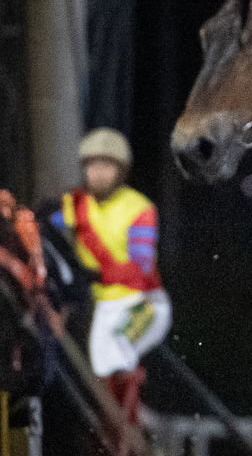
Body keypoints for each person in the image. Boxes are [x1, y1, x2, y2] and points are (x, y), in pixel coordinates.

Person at [51, 128, 171, 424]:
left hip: (143, 303)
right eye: (92, 166)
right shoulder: (76, 205)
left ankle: (129, 426)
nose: (99, 173)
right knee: (100, 367)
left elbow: (140, 268)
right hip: (102, 307)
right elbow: (47, 223)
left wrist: (92, 274)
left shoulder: (140, 209)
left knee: (117, 352)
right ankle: (115, 428)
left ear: (122, 171)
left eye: (107, 166)